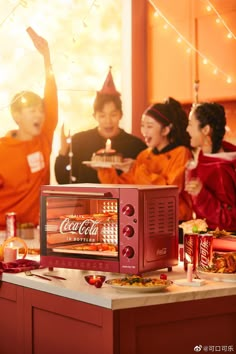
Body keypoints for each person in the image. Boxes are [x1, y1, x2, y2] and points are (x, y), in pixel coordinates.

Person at [97, 97, 193, 222]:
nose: (144, 131)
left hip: (173, 221)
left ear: (165, 130)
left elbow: (168, 192)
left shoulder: (181, 153)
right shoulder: (143, 155)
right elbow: (123, 189)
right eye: (142, 126)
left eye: (149, 126)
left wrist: (136, 168)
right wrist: (105, 169)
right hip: (146, 219)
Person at [0, 27, 58, 229]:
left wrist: (47, 57)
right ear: (16, 116)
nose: (39, 115)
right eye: (31, 111)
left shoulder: (43, 140)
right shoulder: (2, 150)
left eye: (40, 111)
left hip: (36, 231)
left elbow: (51, 101)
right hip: (3, 234)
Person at [54, 68, 146, 184]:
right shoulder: (79, 141)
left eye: (113, 115)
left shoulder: (135, 146)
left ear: (121, 115)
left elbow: (145, 182)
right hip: (86, 200)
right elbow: (62, 180)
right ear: (94, 116)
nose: (108, 121)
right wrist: (63, 151)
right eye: (102, 115)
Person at [185, 102, 236, 231]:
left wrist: (201, 195)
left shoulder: (220, 169)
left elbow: (230, 221)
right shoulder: (202, 160)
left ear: (206, 129)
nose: (187, 129)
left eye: (191, 124)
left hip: (223, 246)